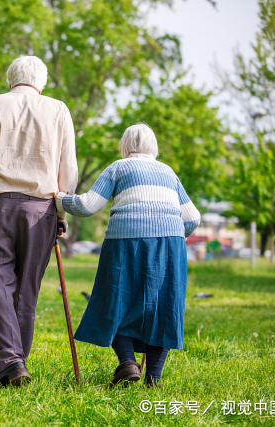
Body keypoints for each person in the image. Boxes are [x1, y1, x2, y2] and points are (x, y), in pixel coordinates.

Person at [0, 56, 78, 387]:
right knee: (27, 291)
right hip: (42, 210)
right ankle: (15, 361)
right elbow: (68, 168)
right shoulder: (58, 109)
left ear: (10, 80)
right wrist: (61, 214)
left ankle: (10, 361)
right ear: (42, 82)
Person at [54, 123, 201, 388]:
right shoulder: (168, 172)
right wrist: (174, 237)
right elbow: (193, 218)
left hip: (125, 241)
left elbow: (88, 206)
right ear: (153, 147)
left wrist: (60, 199)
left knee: (114, 301)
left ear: (125, 145)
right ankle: (153, 380)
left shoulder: (118, 167)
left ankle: (128, 362)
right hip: (170, 244)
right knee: (163, 308)